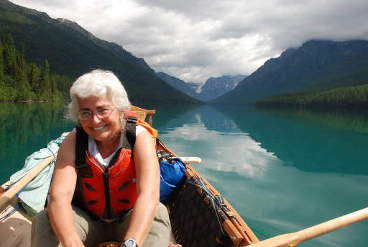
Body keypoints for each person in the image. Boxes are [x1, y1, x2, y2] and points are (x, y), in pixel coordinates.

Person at [31, 69, 174, 247]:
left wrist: (131, 243)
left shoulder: (139, 137)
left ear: (121, 110)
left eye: (102, 110)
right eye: (86, 113)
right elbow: (59, 196)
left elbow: (149, 195)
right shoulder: (74, 140)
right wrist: (71, 243)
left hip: (128, 218)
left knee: (158, 213)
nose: (95, 121)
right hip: (86, 220)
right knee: (45, 220)